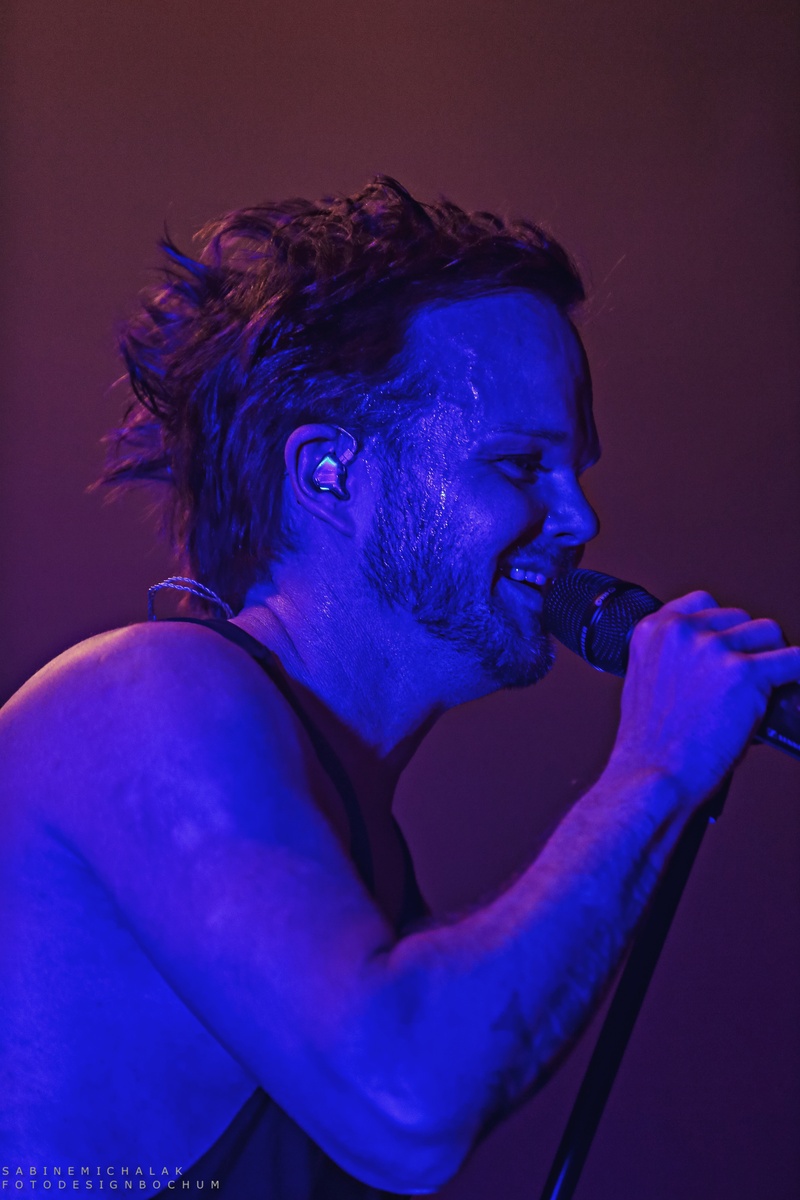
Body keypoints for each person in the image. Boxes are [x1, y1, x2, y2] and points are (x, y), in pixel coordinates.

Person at [1, 177, 797, 1198]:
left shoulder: (365, 862)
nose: (578, 518)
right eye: (521, 464)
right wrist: (654, 768)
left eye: (577, 469)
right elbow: (404, 1101)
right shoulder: (139, 695)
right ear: (329, 473)